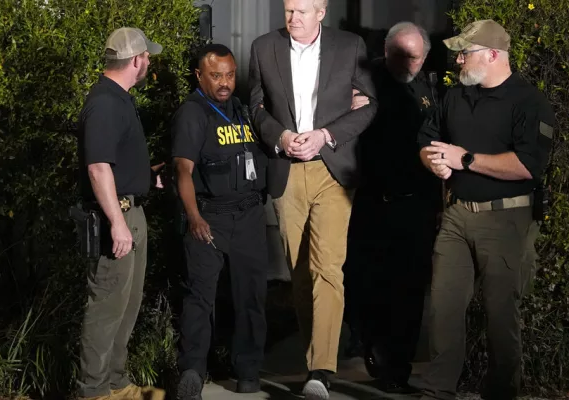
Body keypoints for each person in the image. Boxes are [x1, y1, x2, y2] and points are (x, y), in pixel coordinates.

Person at [414, 19, 555, 400]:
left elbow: (528, 165)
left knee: (500, 316)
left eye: (466, 53)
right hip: (457, 215)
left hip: (506, 218)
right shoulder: (455, 97)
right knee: (443, 308)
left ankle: (502, 392)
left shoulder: (529, 102)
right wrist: (435, 163)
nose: (459, 60)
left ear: (493, 55)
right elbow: (427, 142)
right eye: (460, 54)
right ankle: (436, 390)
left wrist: (467, 159)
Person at [248, 0, 377, 398]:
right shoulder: (263, 47)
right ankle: (313, 359)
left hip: (331, 168)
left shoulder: (349, 46)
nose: (293, 18)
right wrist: (281, 138)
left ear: (321, 12)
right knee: (299, 273)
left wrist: (324, 135)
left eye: (302, 11)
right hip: (286, 168)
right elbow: (255, 106)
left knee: (328, 269)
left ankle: (321, 370)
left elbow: (369, 105)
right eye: (288, 10)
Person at [343, 21, 442, 393]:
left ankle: (396, 370)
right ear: (384, 51)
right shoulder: (364, 80)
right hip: (371, 202)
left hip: (415, 206)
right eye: (397, 54)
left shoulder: (431, 88)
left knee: (410, 290)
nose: (404, 63)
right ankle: (368, 343)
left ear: (426, 56)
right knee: (365, 282)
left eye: (413, 57)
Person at [172, 43, 269, 400]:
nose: (225, 82)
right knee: (200, 299)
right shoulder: (193, 113)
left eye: (229, 74)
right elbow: (183, 170)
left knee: (251, 295)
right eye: (216, 76)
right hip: (209, 217)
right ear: (200, 76)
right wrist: (194, 216)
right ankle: (192, 373)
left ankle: (248, 371)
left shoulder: (242, 109)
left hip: (248, 216)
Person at [76, 27, 164, 400]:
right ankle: (92, 391)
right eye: (147, 58)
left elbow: (115, 163)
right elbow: (98, 167)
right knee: (107, 307)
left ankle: (114, 382)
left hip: (131, 211)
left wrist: (146, 178)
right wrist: (116, 223)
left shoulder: (120, 98)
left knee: (126, 305)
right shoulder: (106, 103)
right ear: (136, 61)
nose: (148, 63)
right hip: (117, 219)